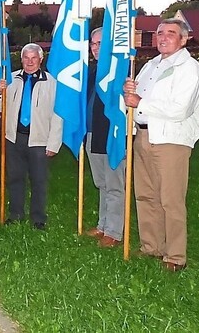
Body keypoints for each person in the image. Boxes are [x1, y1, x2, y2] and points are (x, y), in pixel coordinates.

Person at [123, 18, 199, 272]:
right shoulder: (150, 66)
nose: (163, 37)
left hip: (171, 139)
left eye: (171, 33)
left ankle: (175, 256)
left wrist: (140, 103)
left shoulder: (189, 69)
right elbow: (135, 98)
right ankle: (152, 246)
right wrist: (129, 92)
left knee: (170, 199)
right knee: (146, 195)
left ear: (183, 39)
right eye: (159, 33)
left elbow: (180, 109)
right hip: (144, 135)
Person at [0, 43, 62, 230]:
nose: (30, 62)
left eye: (34, 58)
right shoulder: (11, 79)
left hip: (39, 140)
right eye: (26, 58)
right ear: (21, 59)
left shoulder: (51, 83)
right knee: (15, 178)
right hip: (14, 137)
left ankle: (38, 218)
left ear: (41, 60)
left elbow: (57, 116)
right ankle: (16, 213)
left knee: (39, 180)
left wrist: (53, 143)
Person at [85, 28, 126, 247]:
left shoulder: (118, 72)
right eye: (93, 43)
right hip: (93, 134)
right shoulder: (92, 73)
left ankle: (114, 232)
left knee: (115, 185)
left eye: (101, 43)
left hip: (112, 135)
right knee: (101, 183)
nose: (96, 48)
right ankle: (103, 225)